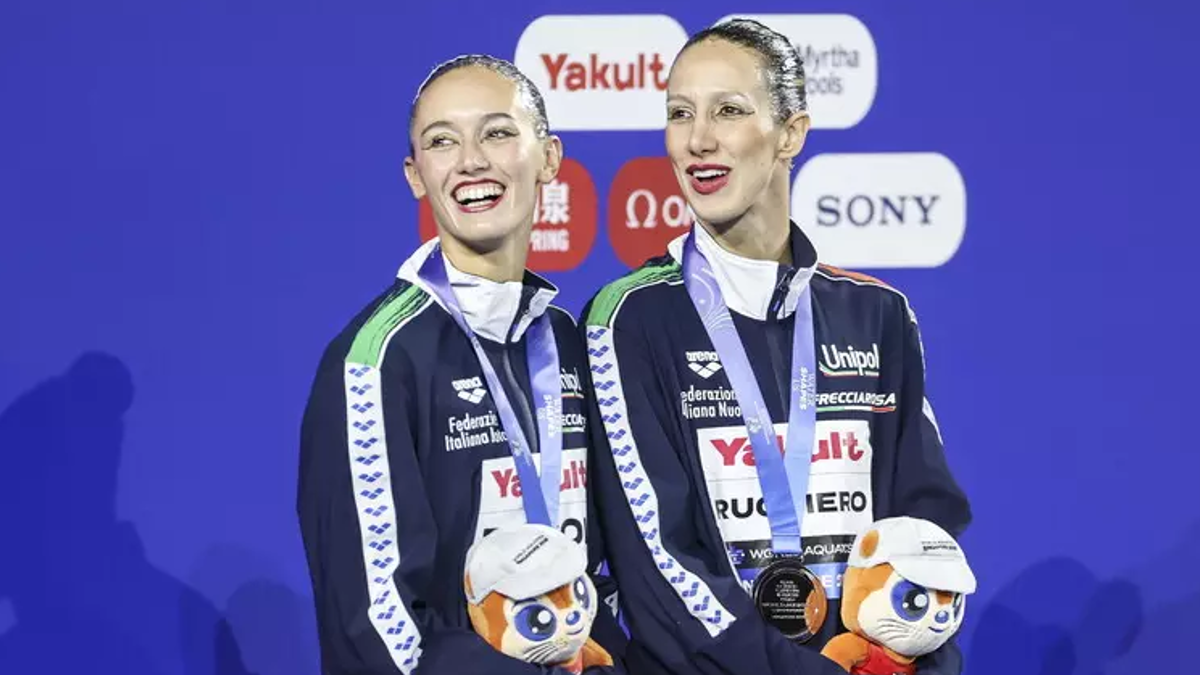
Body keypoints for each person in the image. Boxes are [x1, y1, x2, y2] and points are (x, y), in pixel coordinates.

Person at [580, 18, 972, 675]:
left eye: (729, 111)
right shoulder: (628, 319)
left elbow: (924, 529)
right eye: (680, 113)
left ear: (790, 133)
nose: (698, 140)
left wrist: (914, 656)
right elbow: (656, 562)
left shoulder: (877, 314)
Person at [298, 54, 625, 675]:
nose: (470, 160)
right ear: (416, 175)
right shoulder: (375, 359)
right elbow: (376, 626)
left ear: (549, 157)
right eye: (441, 141)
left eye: (496, 133)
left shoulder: (564, 340)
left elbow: (595, 571)